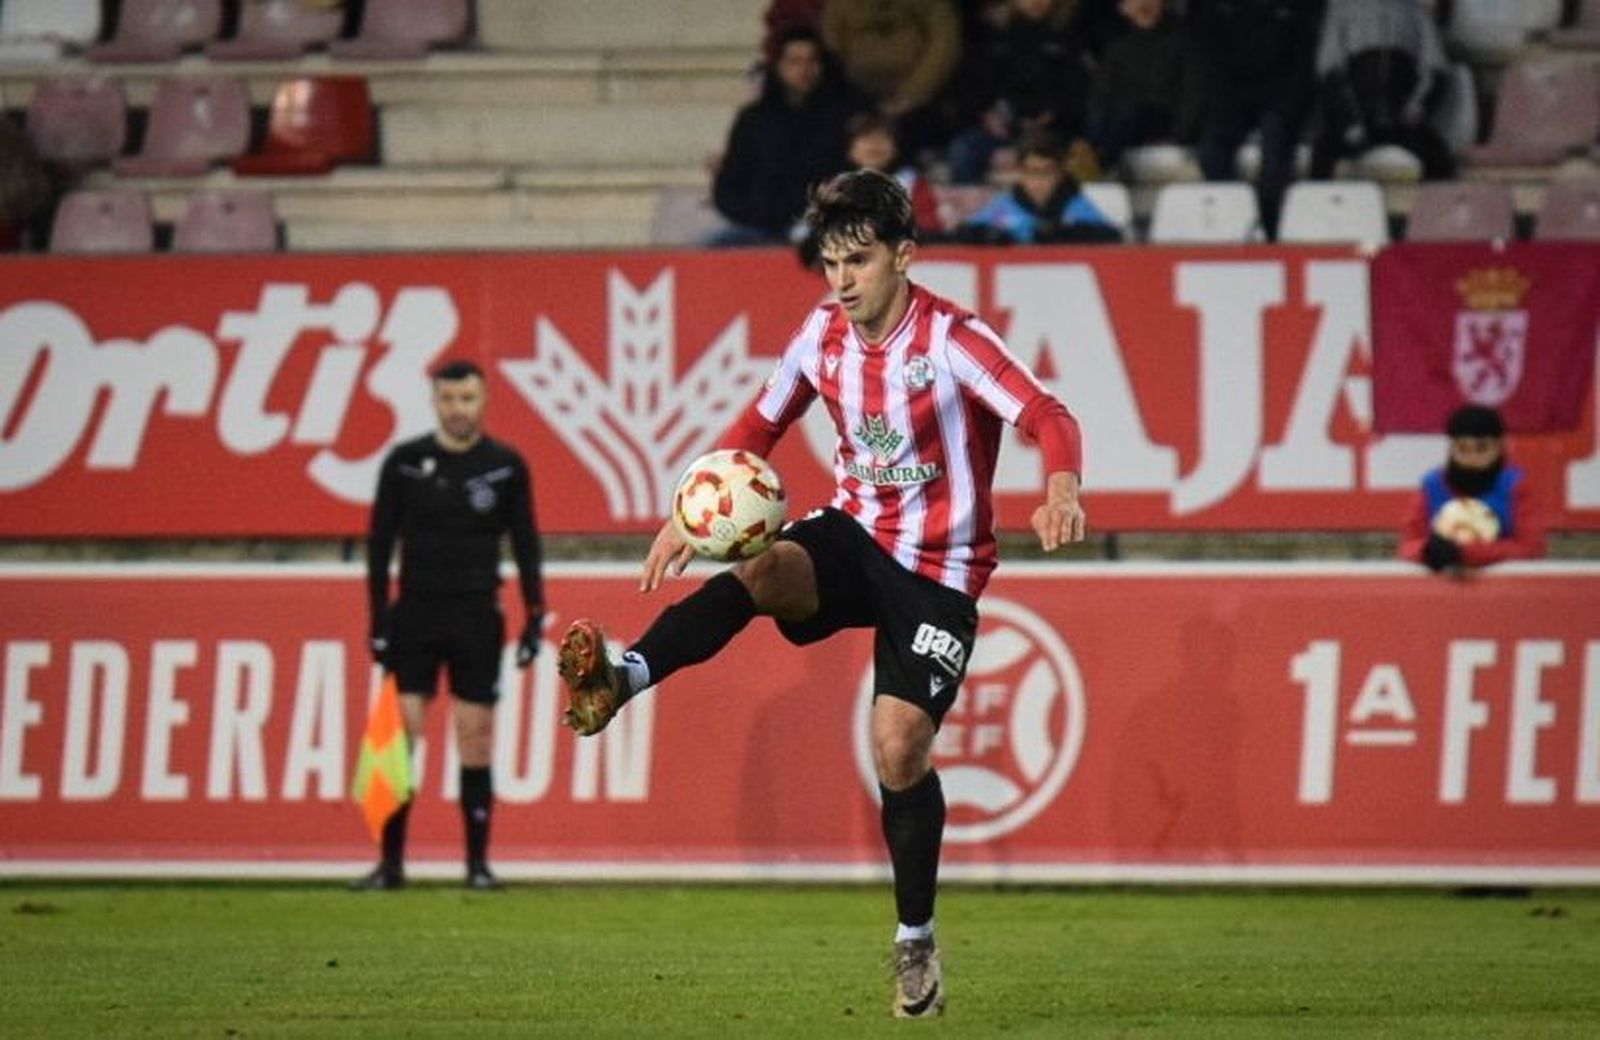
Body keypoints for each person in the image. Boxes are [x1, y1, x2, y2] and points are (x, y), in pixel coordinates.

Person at [556, 169, 1087, 1019]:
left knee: (897, 749)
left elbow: (1047, 415)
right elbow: (757, 427)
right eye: (831, 262)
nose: (842, 280)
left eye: (860, 261)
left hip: (937, 572)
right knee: (763, 568)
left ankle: (915, 941)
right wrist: (690, 516)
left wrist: (1060, 485)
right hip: (852, 535)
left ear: (904, 258)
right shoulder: (820, 337)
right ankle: (624, 676)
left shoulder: (953, 339)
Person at [358, 359, 546, 891]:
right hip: (414, 611)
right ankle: (390, 865)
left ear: (482, 402)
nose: (457, 409)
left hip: (475, 612)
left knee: (475, 735)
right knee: (402, 735)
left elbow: (526, 542)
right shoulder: (404, 462)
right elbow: (379, 545)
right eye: (448, 399)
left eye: (467, 399)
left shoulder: (506, 465)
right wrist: (377, 618)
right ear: (434, 402)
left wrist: (535, 615)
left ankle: (477, 866)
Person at [710, 26, 864, 246]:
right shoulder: (753, 119)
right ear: (777, 66)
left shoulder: (845, 115)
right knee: (714, 245)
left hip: (826, 231)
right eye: (794, 61)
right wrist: (761, 215)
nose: (804, 69)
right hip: (759, 229)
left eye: (811, 61)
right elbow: (729, 185)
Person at [1191, 0, 1324, 240]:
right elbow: (1210, 62)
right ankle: (1237, 220)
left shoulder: (1295, 9)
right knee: (1211, 153)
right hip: (1233, 100)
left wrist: (1286, 108)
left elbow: (1304, 64)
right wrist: (1226, 107)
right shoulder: (1218, 8)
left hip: (1279, 101)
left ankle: (1269, 230)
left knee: (1275, 159)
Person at [945, 0, 1096, 184]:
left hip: (1054, 132)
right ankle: (969, 210)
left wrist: (1053, 116)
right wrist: (987, 114)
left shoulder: (1069, 39)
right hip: (1003, 130)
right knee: (964, 148)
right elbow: (975, 88)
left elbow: (1078, 93)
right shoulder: (994, 39)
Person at [1310, 0, 1456, 181]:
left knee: (1440, 162)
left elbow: (1436, 70)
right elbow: (1329, 70)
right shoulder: (1342, 7)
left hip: (1403, 121)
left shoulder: (1414, 10)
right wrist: (1349, 121)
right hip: (1356, 118)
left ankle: (1428, 209)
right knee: (1322, 157)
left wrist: (1417, 110)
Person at [1399, 404, 1546, 572]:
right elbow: (1408, 546)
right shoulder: (1432, 485)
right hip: (1442, 586)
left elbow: (1531, 548)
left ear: (1499, 447)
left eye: (1481, 448)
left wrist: (1463, 553)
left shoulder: (1515, 486)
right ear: (1451, 449)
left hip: (1503, 586)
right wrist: (1426, 551)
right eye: (1462, 449)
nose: (1472, 458)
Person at [822, 0, 964, 159]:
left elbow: (943, 48)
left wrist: (911, 95)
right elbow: (831, 48)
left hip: (923, 100)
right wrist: (858, 100)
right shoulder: (839, 5)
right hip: (855, 97)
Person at [1084, 0, 1206, 170]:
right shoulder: (1118, 47)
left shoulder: (1184, 41)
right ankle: (1094, 156)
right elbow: (1100, 94)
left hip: (1164, 121)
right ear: (1124, 9)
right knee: (1105, 111)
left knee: (1127, 109)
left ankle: (1100, 164)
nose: (1144, 5)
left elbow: (1193, 94)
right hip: (1121, 124)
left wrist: (1180, 136)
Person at [955, 128, 1121, 243]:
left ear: (1059, 174)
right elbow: (966, 233)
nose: (1038, 180)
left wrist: (1065, 235)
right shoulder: (1004, 207)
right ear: (1020, 172)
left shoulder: (1075, 205)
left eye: (1046, 172)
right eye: (1031, 171)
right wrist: (991, 236)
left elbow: (1111, 237)